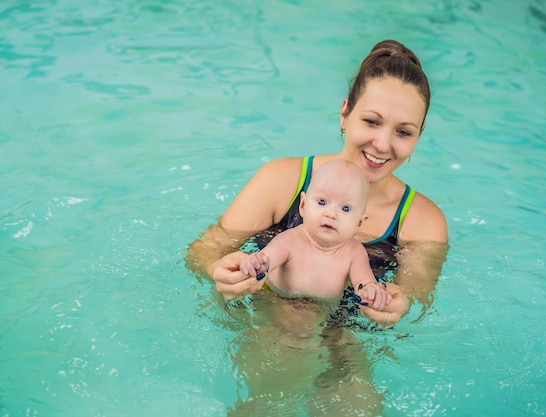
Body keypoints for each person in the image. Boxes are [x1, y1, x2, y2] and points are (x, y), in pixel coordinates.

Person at [187, 38, 449, 416]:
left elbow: (417, 296)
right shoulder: (284, 180)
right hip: (272, 319)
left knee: (360, 406)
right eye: (371, 121)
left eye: (403, 132)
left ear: (418, 136)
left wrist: (398, 303)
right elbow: (204, 250)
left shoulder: (422, 219)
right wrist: (219, 269)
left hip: (347, 338)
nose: (382, 143)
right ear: (345, 114)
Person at [238, 159, 392, 310]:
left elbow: (364, 282)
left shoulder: (354, 252)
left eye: (345, 209)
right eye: (322, 202)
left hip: (324, 311)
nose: (331, 214)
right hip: (274, 301)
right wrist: (255, 263)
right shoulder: (289, 240)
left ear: (359, 223)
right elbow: (266, 260)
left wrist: (371, 291)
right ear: (303, 205)